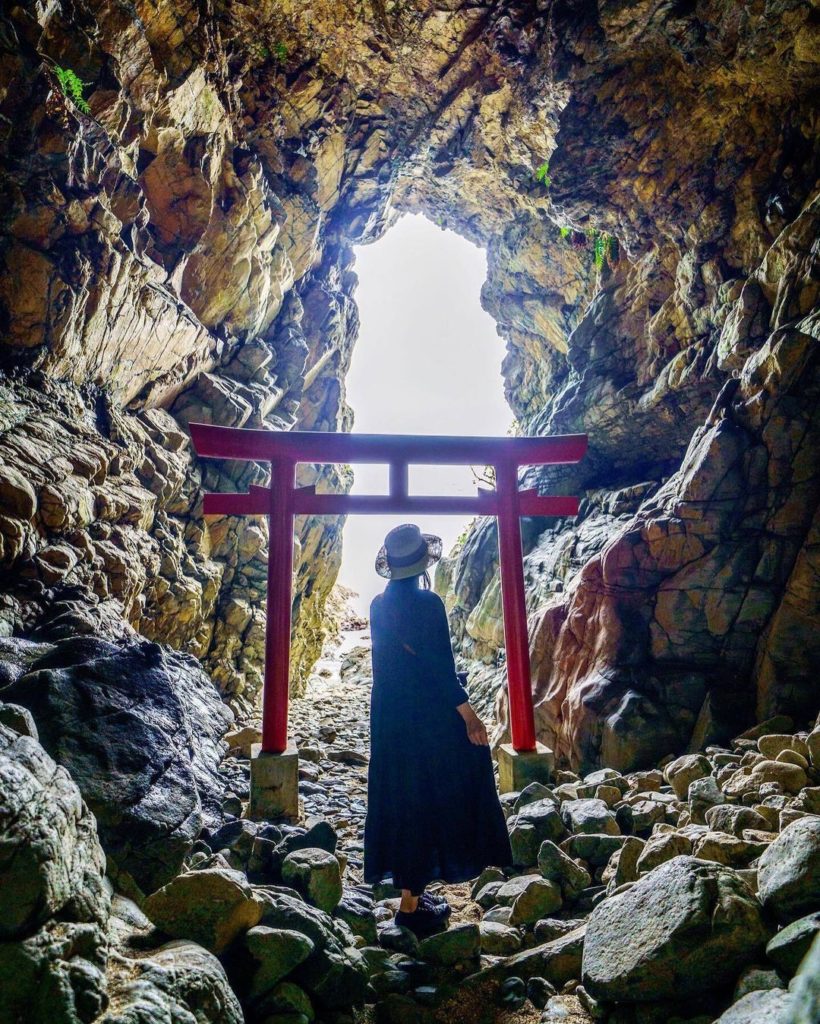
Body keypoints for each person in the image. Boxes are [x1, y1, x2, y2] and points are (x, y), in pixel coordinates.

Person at [363, 523, 513, 937]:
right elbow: (441, 670)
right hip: (426, 716)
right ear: (421, 564)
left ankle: (413, 894)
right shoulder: (429, 604)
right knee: (451, 780)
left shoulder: (378, 606)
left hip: (390, 718)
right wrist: (470, 716)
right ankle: (410, 910)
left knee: (404, 797)